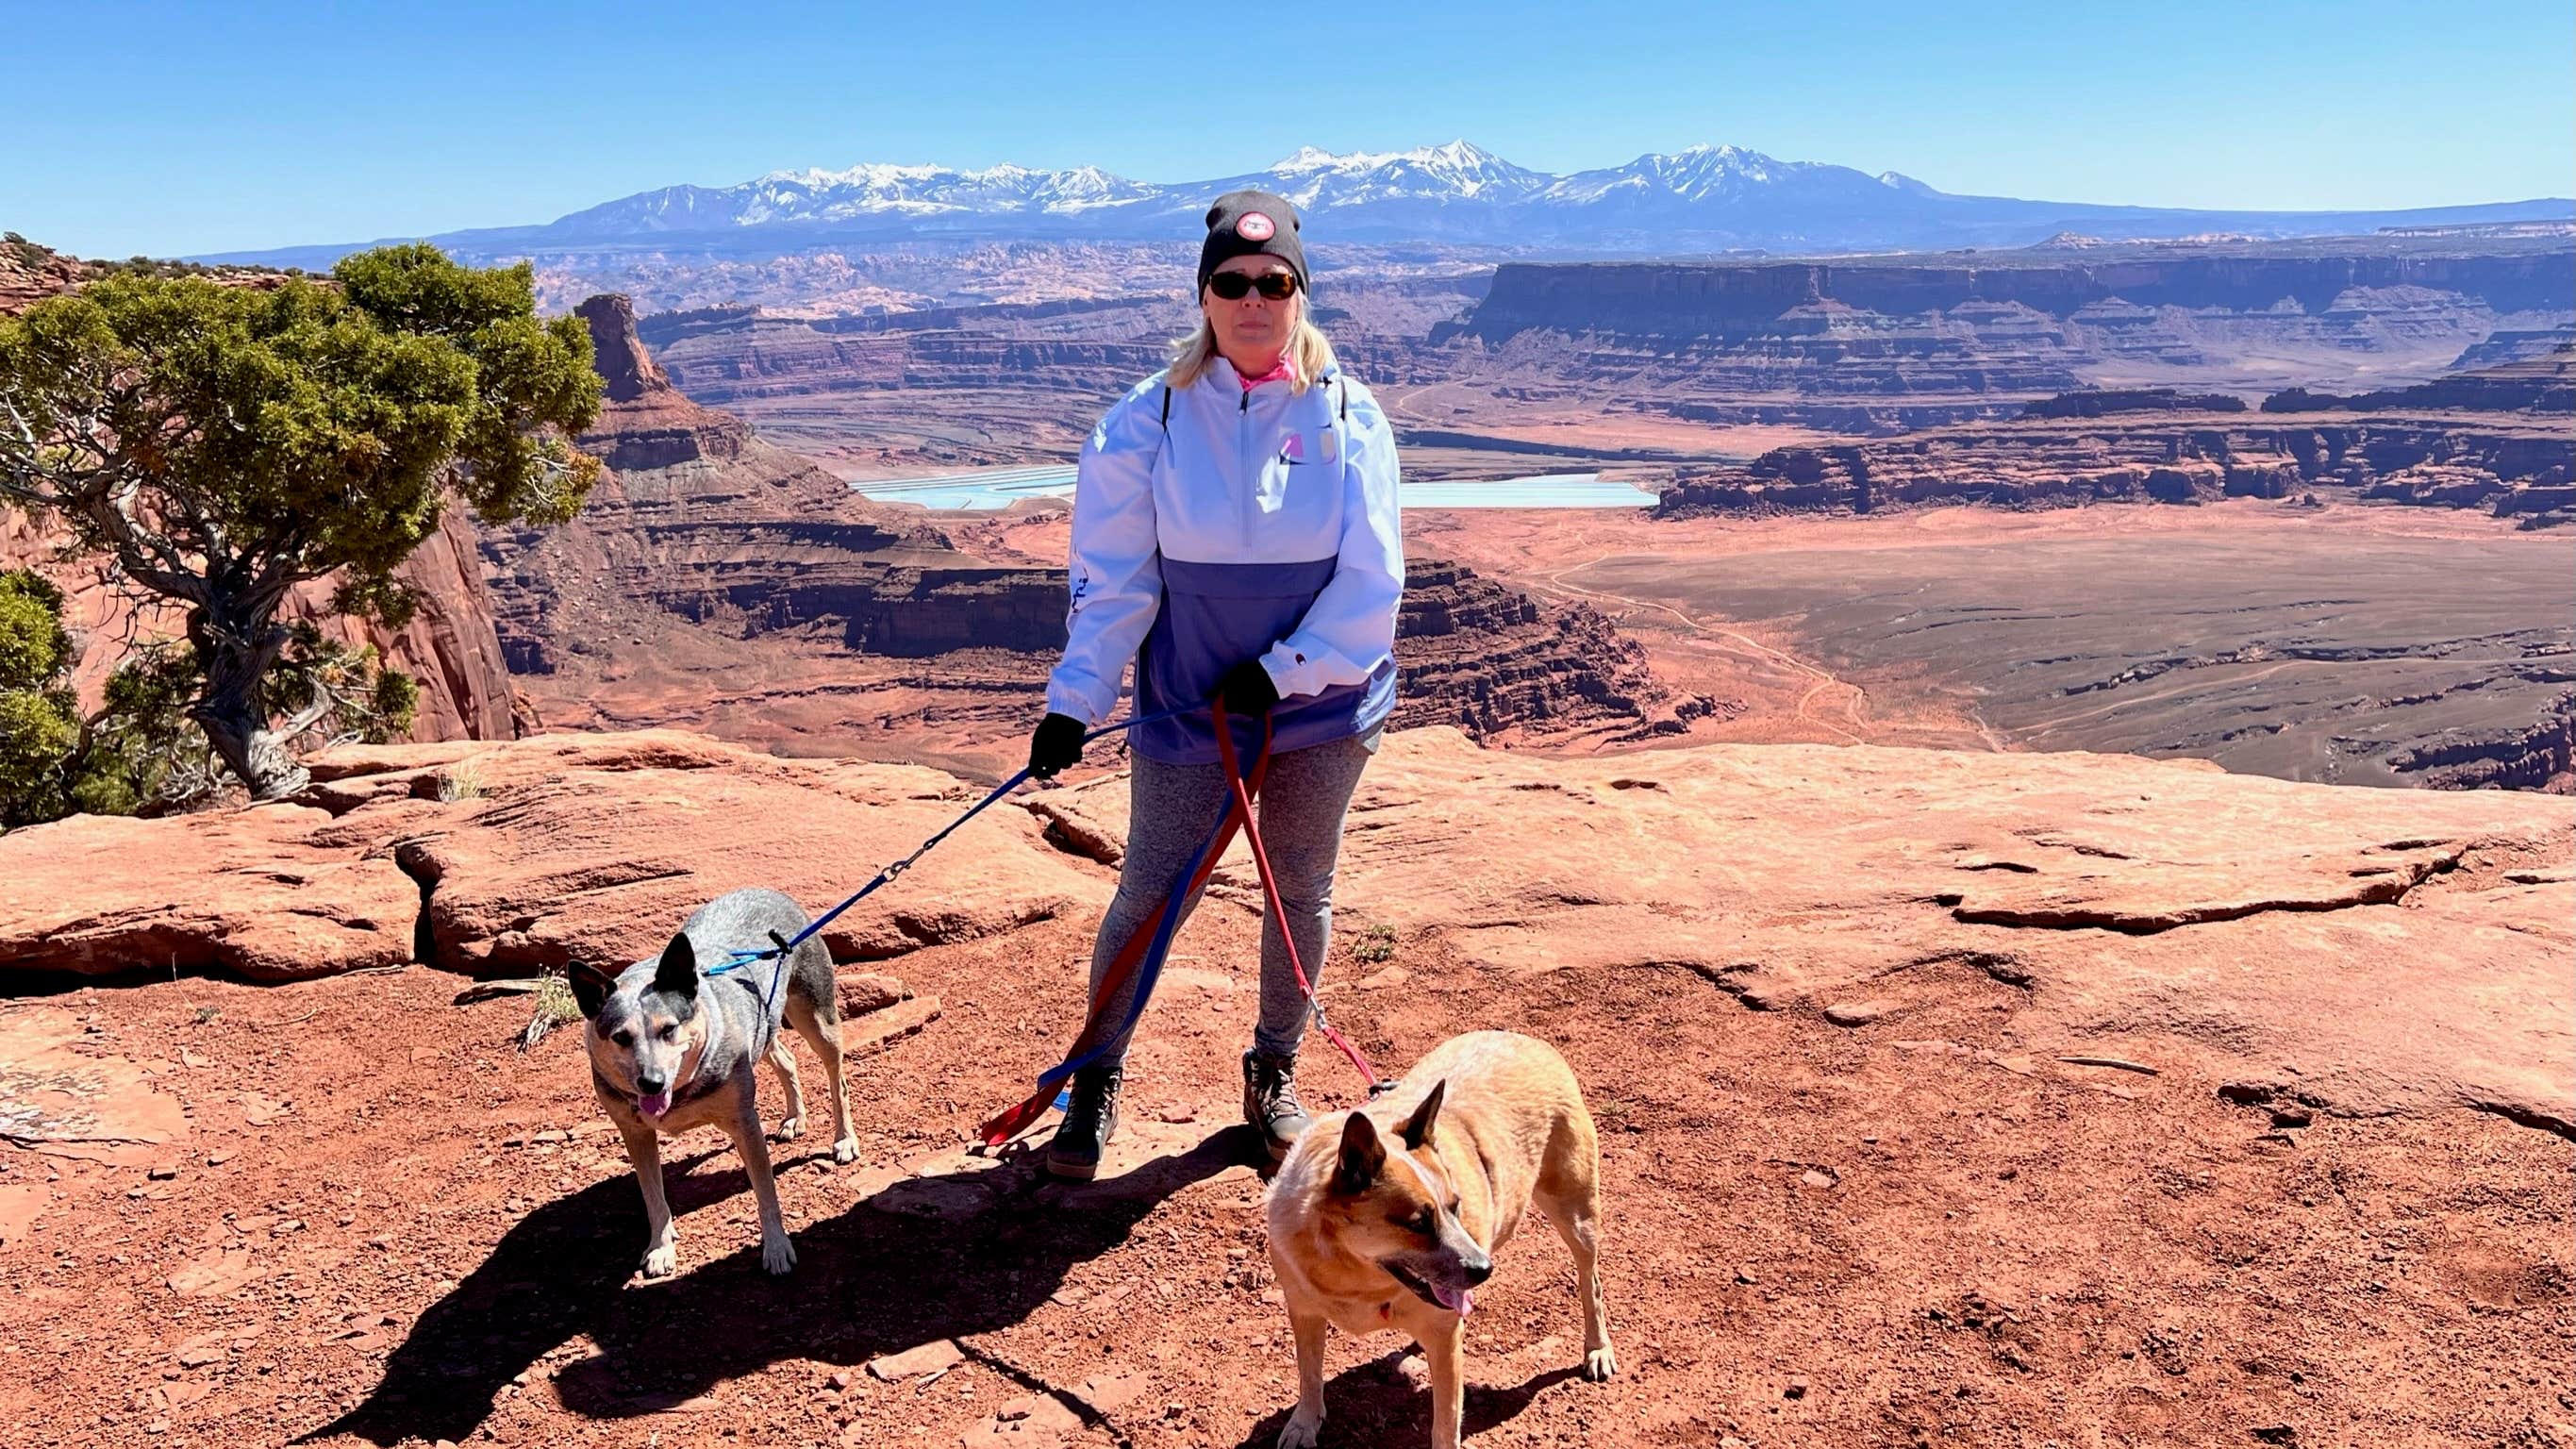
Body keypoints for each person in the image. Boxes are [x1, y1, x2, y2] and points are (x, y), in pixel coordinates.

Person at [1024, 190, 1404, 1181]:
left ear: (1300, 294)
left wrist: (1281, 674)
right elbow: (1114, 581)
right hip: (1193, 706)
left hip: (1321, 704)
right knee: (1152, 892)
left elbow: (1373, 582)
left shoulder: (1349, 415)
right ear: (1203, 296)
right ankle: (1095, 1073)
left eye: (1274, 283)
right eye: (1232, 284)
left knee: (1298, 889)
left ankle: (1273, 1070)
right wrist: (1073, 704)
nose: (1253, 301)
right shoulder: (1144, 419)